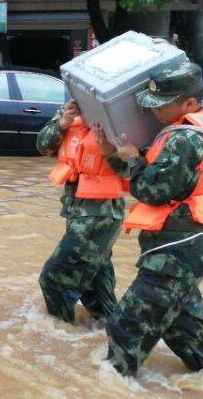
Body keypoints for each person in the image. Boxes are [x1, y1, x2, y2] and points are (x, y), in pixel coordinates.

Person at [99, 61, 203, 377]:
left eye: (162, 105)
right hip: (186, 246)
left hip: (174, 254)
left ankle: (114, 385)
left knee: (125, 326)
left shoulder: (186, 138)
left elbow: (152, 190)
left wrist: (131, 158)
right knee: (184, 332)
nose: (155, 112)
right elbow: (154, 179)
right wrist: (113, 154)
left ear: (188, 102)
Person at [36, 99, 125, 324]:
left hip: (100, 213)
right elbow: (43, 146)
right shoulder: (70, 110)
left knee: (55, 279)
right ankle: (107, 333)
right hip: (75, 209)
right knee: (95, 289)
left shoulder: (117, 115)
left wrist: (107, 148)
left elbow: (131, 167)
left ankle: (61, 340)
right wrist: (63, 123)